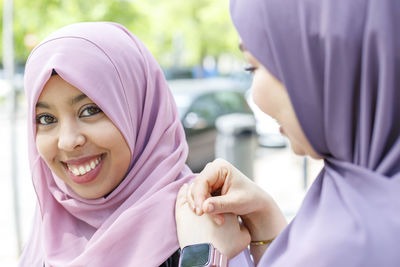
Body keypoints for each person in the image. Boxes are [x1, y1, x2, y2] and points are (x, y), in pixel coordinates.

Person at [175, 0, 400, 266]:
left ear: (325, 64)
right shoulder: (359, 190)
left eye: (253, 66)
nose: (255, 98)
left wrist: (200, 256)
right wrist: (264, 217)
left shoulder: (352, 243)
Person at [19, 22, 253, 267]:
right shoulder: (48, 228)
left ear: (141, 112)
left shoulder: (203, 222)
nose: (68, 141)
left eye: (90, 110)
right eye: (46, 119)